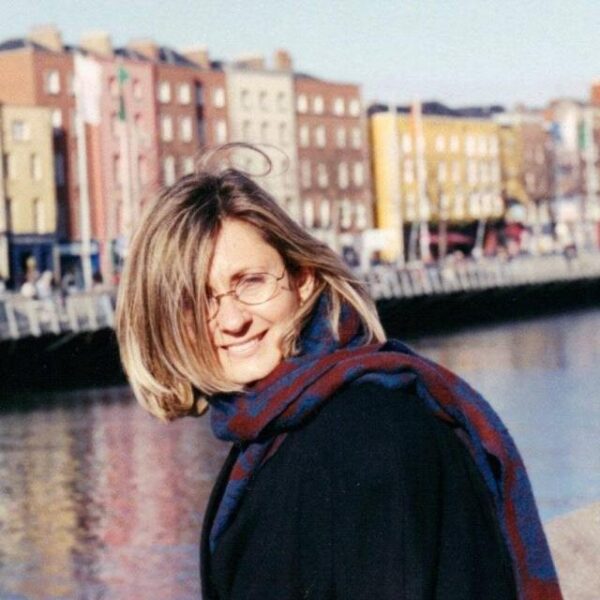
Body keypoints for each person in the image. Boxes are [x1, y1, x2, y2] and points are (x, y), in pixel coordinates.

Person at [116, 146, 562, 600]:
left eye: (250, 282)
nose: (231, 320)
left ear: (303, 278)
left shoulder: (362, 434)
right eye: (196, 301)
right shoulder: (285, 425)